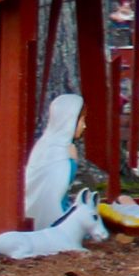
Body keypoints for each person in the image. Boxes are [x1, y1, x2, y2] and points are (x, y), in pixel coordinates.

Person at [23, 93, 86, 231]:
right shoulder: (51, 148)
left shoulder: (62, 146)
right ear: (70, 120)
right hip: (48, 213)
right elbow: (52, 188)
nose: (84, 126)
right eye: (82, 121)